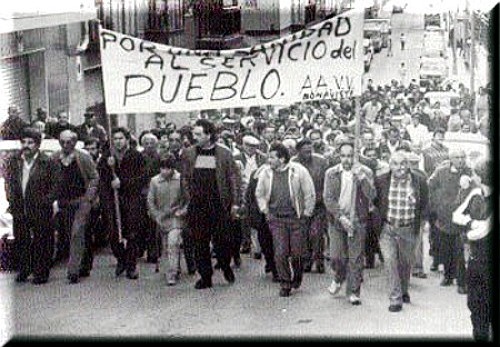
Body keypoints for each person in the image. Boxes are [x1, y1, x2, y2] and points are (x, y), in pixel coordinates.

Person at [180, 119, 241, 290]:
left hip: (219, 205)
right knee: (200, 243)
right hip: (198, 206)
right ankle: (205, 276)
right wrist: (188, 198)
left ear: (209, 135)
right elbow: (184, 178)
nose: (195, 137)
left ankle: (225, 264)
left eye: (199, 134)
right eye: (194, 133)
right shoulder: (188, 153)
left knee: (223, 242)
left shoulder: (223, 153)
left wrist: (235, 203)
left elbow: (233, 179)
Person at [255, 142, 315, 297]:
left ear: (282, 159)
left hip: (296, 218)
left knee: (297, 254)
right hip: (276, 219)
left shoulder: (299, 171)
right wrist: (265, 211)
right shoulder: (265, 173)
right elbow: (259, 193)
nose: (269, 160)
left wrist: (307, 213)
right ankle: (285, 283)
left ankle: (298, 274)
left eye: (272, 157)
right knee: (280, 253)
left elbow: (309, 193)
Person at [374, 150, 429, 312]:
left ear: (408, 164)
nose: (400, 167)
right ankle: (395, 299)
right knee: (390, 262)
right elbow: (375, 202)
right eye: (396, 164)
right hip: (388, 229)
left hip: (409, 228)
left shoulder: (419, 180)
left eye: (403, 163)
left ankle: (404, 289)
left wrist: (423, 223)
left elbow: (425, 203)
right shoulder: (382, 180)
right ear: (390, 165)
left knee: (405, 263)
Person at [323, 138, 375, 305]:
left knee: (356, 258)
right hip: (337, 220)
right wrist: (341, 217)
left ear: (356, 156)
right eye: (344, 156)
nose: (347, 159)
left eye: (350, 156)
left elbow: (372, 195)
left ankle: (353, 291)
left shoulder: (365, 171)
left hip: (358, 219)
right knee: (337, 256)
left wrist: (362, 178)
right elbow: (328, 198)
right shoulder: (331, 173)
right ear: (339, 155)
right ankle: (339, 277)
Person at [5, 128, 56, 284]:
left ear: (37, 144)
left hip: (40, 207)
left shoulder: (47, 162)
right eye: (23, 142)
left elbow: (56, 184)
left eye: (30, 142)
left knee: (42, 240)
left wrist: (47, 200)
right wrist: (11, 199)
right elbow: (9, 182)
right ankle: (24, 269)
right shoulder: (14, 161)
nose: (26, 145)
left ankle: (41, 272)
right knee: (21, 239)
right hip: (20, 207)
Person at [98, 127, 149, 280]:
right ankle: (121, 258)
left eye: (121, 138)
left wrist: (123, 183)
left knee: (132, 233)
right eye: (115, 139)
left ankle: (131, 265)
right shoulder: (107, 156)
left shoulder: (136, 156)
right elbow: (101, 176)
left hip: (132, 199)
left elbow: (142, 178)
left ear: (127, 139)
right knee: (113, 233)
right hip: (113, 200)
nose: (118, 142)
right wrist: (108, 167)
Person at [51, 130, 99, 284]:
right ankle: (84, 264)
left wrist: (88, 198)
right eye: (62, 142)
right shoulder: (54, 158)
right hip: (63, 203)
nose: (66, 145)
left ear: (74, 142)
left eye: (69, 142)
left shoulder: (83, 157)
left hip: (81, 201)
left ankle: (73, 271)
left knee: (77, 233)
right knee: (68, 235)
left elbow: (94, 177)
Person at [453, 157, 492, 341]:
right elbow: (456, 215)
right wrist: (472, 222)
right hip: (476, 260)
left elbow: (482, 231)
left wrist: (468, 232)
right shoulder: (476, 193)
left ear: (480, 176)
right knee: (475, 306)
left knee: (487, 306)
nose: (473, 176)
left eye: (475, 173)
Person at [428, 149, 472, 294]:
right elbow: (431, 187)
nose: (460, 159)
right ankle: (448, 276)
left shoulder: (469, 172)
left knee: (459, 251)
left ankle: (462, 282)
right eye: (457, 157)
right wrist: (437, 205)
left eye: (462, 157)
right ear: (451, 159)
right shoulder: (441, 172)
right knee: (445, 249)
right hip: (444, 217)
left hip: (462, 217)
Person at [147, 155, 186, 286]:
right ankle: (175, 267)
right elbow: (150, 201)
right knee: (165, 246)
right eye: (162, 168)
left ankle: (171, 273)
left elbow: (187, 198)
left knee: (173, 242)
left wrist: (183, 211)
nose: (165, 171)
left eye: (168, 168)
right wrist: (155, 215)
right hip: (161, 217)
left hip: (176, 216)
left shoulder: (180, 179)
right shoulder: (154, 181)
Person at [292, 138, 329, 273]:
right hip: (301, 206)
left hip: (319, 204)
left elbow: (327, 181)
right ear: (298, 152)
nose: (308, 154)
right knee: (304, 234)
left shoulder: (321, 162)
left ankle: (319, 259)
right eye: (305, 152)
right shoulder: (293, 164)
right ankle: (307, 260)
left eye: (310, 151)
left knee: (316, 233)